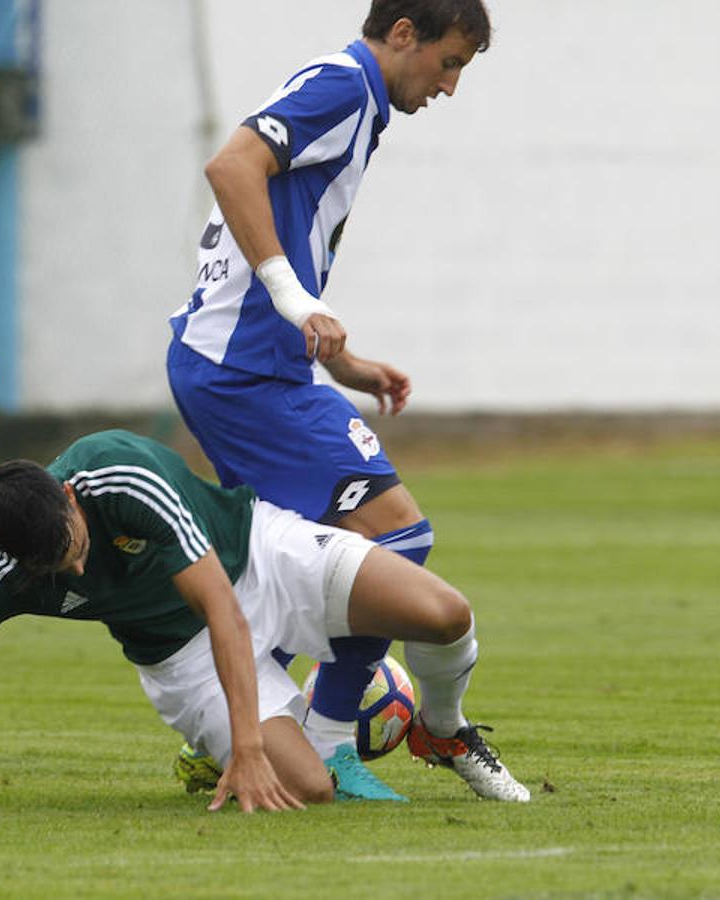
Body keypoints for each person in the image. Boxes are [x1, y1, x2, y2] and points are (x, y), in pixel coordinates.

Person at [166, 0, 497, 801]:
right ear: (405, 35)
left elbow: (278, 220)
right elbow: (232, 167)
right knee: (394, 536)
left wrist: (342, 360)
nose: (450, 87)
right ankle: (326, 738)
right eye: (448, 63)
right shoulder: (344, 86)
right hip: (243, 373)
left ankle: (238, 726)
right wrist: (291, 299)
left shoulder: (357, 101)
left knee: (309, 557)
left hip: (253, 365)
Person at [0, 430, 528, 817]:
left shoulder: (122, 475)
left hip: (257, 555)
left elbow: (223, 608)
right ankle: (214, 753)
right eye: (47, 565)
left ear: (69, 497)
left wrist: (249, 744)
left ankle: (440, 730)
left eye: (69, 542)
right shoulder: (1, 573)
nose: (69, 564)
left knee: (444, 614)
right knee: (311, 791)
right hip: (183, 657)